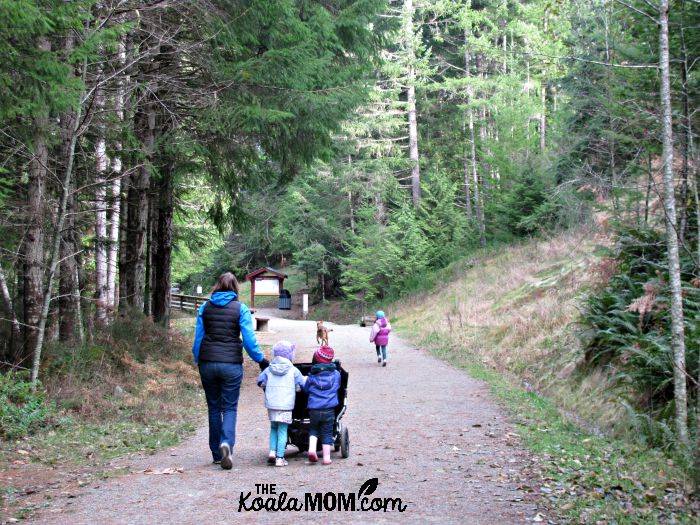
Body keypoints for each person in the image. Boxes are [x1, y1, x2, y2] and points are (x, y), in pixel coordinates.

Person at [192, 272, 269, 470]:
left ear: (217, 286)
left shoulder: (205, 307)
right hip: (231, 364)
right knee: (229, 407)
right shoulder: (240, 309)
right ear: (235, 287)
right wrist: (260, 359)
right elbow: (249, 340)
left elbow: (198, 338)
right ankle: (226, 443)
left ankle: (217, 454)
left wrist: (198, 359)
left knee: (214, 407)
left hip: (208, 362)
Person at [257, 340, 305, 467]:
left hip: (272, 404)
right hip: (286, 405)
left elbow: (260, 381)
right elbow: (302, 384)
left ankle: (272, 452)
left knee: (273, 428)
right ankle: (279, 458)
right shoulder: (294, 370)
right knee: (283, 429)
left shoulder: (268, 369)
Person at [303, 345, 341, 465]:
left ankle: (312, 450)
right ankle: (326, 458)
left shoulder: (311, 376)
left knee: (313, 429)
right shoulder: (336, 374)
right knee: (327, 433)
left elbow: (306, 389)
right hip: (329, 409)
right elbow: (338, 387)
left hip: (314, 409)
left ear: (317, 359)